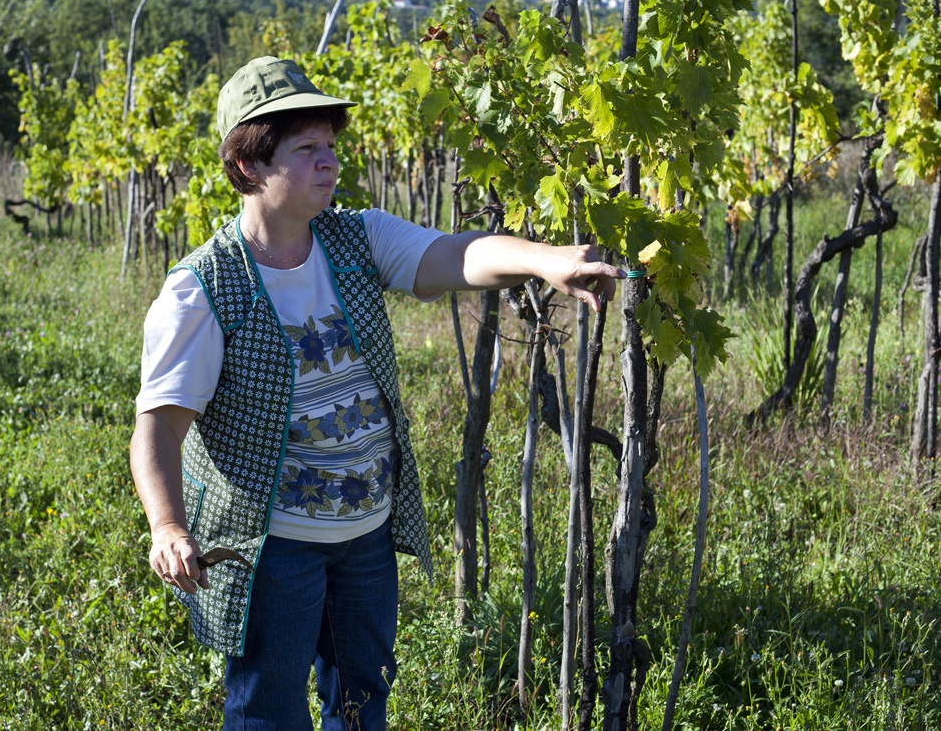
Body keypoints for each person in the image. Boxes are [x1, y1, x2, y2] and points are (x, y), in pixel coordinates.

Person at [129, 56, 625, 731]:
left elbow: (457, 255)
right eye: (305, 150)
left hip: (364, 533)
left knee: (362, 702)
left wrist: (547, 260)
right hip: (274, 546)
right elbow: (157, 429)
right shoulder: (201, 291)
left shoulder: (356, 238)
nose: (328, 162)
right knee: (269, 711)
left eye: (330, 146)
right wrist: (167, 526)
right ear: (248, 166)